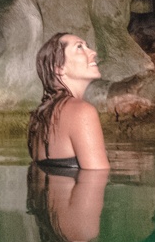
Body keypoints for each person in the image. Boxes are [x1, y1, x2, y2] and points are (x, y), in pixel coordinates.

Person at [27, 33, 110, 170]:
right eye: (79, 47)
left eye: (86, 46)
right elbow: (96, 177)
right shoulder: (82, 111)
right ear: (59, 68)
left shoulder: (39, 118)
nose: (93, 52)